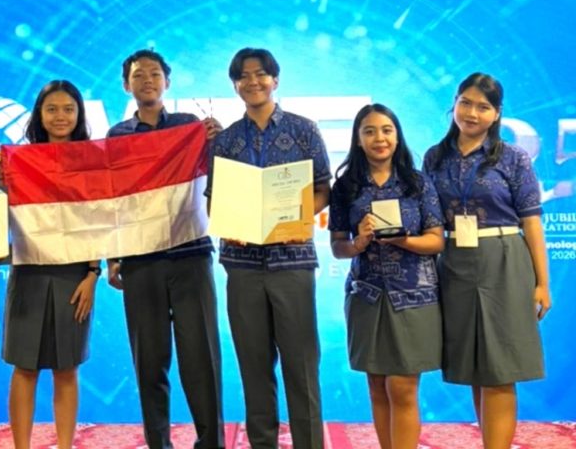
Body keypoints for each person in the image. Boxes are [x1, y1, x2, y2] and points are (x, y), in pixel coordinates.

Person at [205, 47, 329, 449]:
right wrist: (231, 222)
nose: (252, 81)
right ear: (235, 85)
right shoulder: (225, 140)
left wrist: (298, 217)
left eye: (260, 74)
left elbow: (323, 188)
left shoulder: (304, 129)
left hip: (292, 261)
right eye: (243, 76)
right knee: (254, 366)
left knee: (301, 365)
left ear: (275, 80)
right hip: (242, 265)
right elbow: (214, 201)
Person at [423, 73, 551, 449]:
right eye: (465, 103)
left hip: (504, 260)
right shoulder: (435, 157)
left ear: (497, 114)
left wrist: (542, 283)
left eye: (483, 107)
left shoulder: (513, 158)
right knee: (477, 367)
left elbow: (531, 221)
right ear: (454, 104)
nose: (472, 113)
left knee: (499, 370)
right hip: (455, 263)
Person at [105, 49, 224, 449]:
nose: (147, 81)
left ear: (167, 82)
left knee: (202, 359)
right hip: (141, 260)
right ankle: (159, 443)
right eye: (138, 75)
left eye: (155, 74)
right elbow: (113, 199)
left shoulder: (189, 126)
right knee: (149, 361)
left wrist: (217, 140)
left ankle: (211, 442)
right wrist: (113, 255)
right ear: (126, 85)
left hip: (191, 254)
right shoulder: (117, 136)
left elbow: (220, 177)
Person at [0, 80, 99, 449]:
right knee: (25, 367)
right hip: (29, 272)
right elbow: (1, 215)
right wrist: (1, 179)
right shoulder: (19, 159)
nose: (60, 116)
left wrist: (92, 274)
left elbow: (99, 219)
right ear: (39, 114)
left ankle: (65, 445)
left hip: (75, 276)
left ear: (79, 114)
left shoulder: (92, 161)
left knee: (66, 369)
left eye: (68, 109)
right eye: (51, 109)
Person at [329, 104, 444, 449]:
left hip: (415, 297)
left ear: (397, 136)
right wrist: (359, 242)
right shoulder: (346, 186)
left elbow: (436, 240)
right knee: (377, 386)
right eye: (369, 131)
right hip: (367, 296)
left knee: (403, 387)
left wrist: (404, 240)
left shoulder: (417, 183)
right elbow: (337, 246)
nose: (379, 138)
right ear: (358, 139)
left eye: (386, 130)